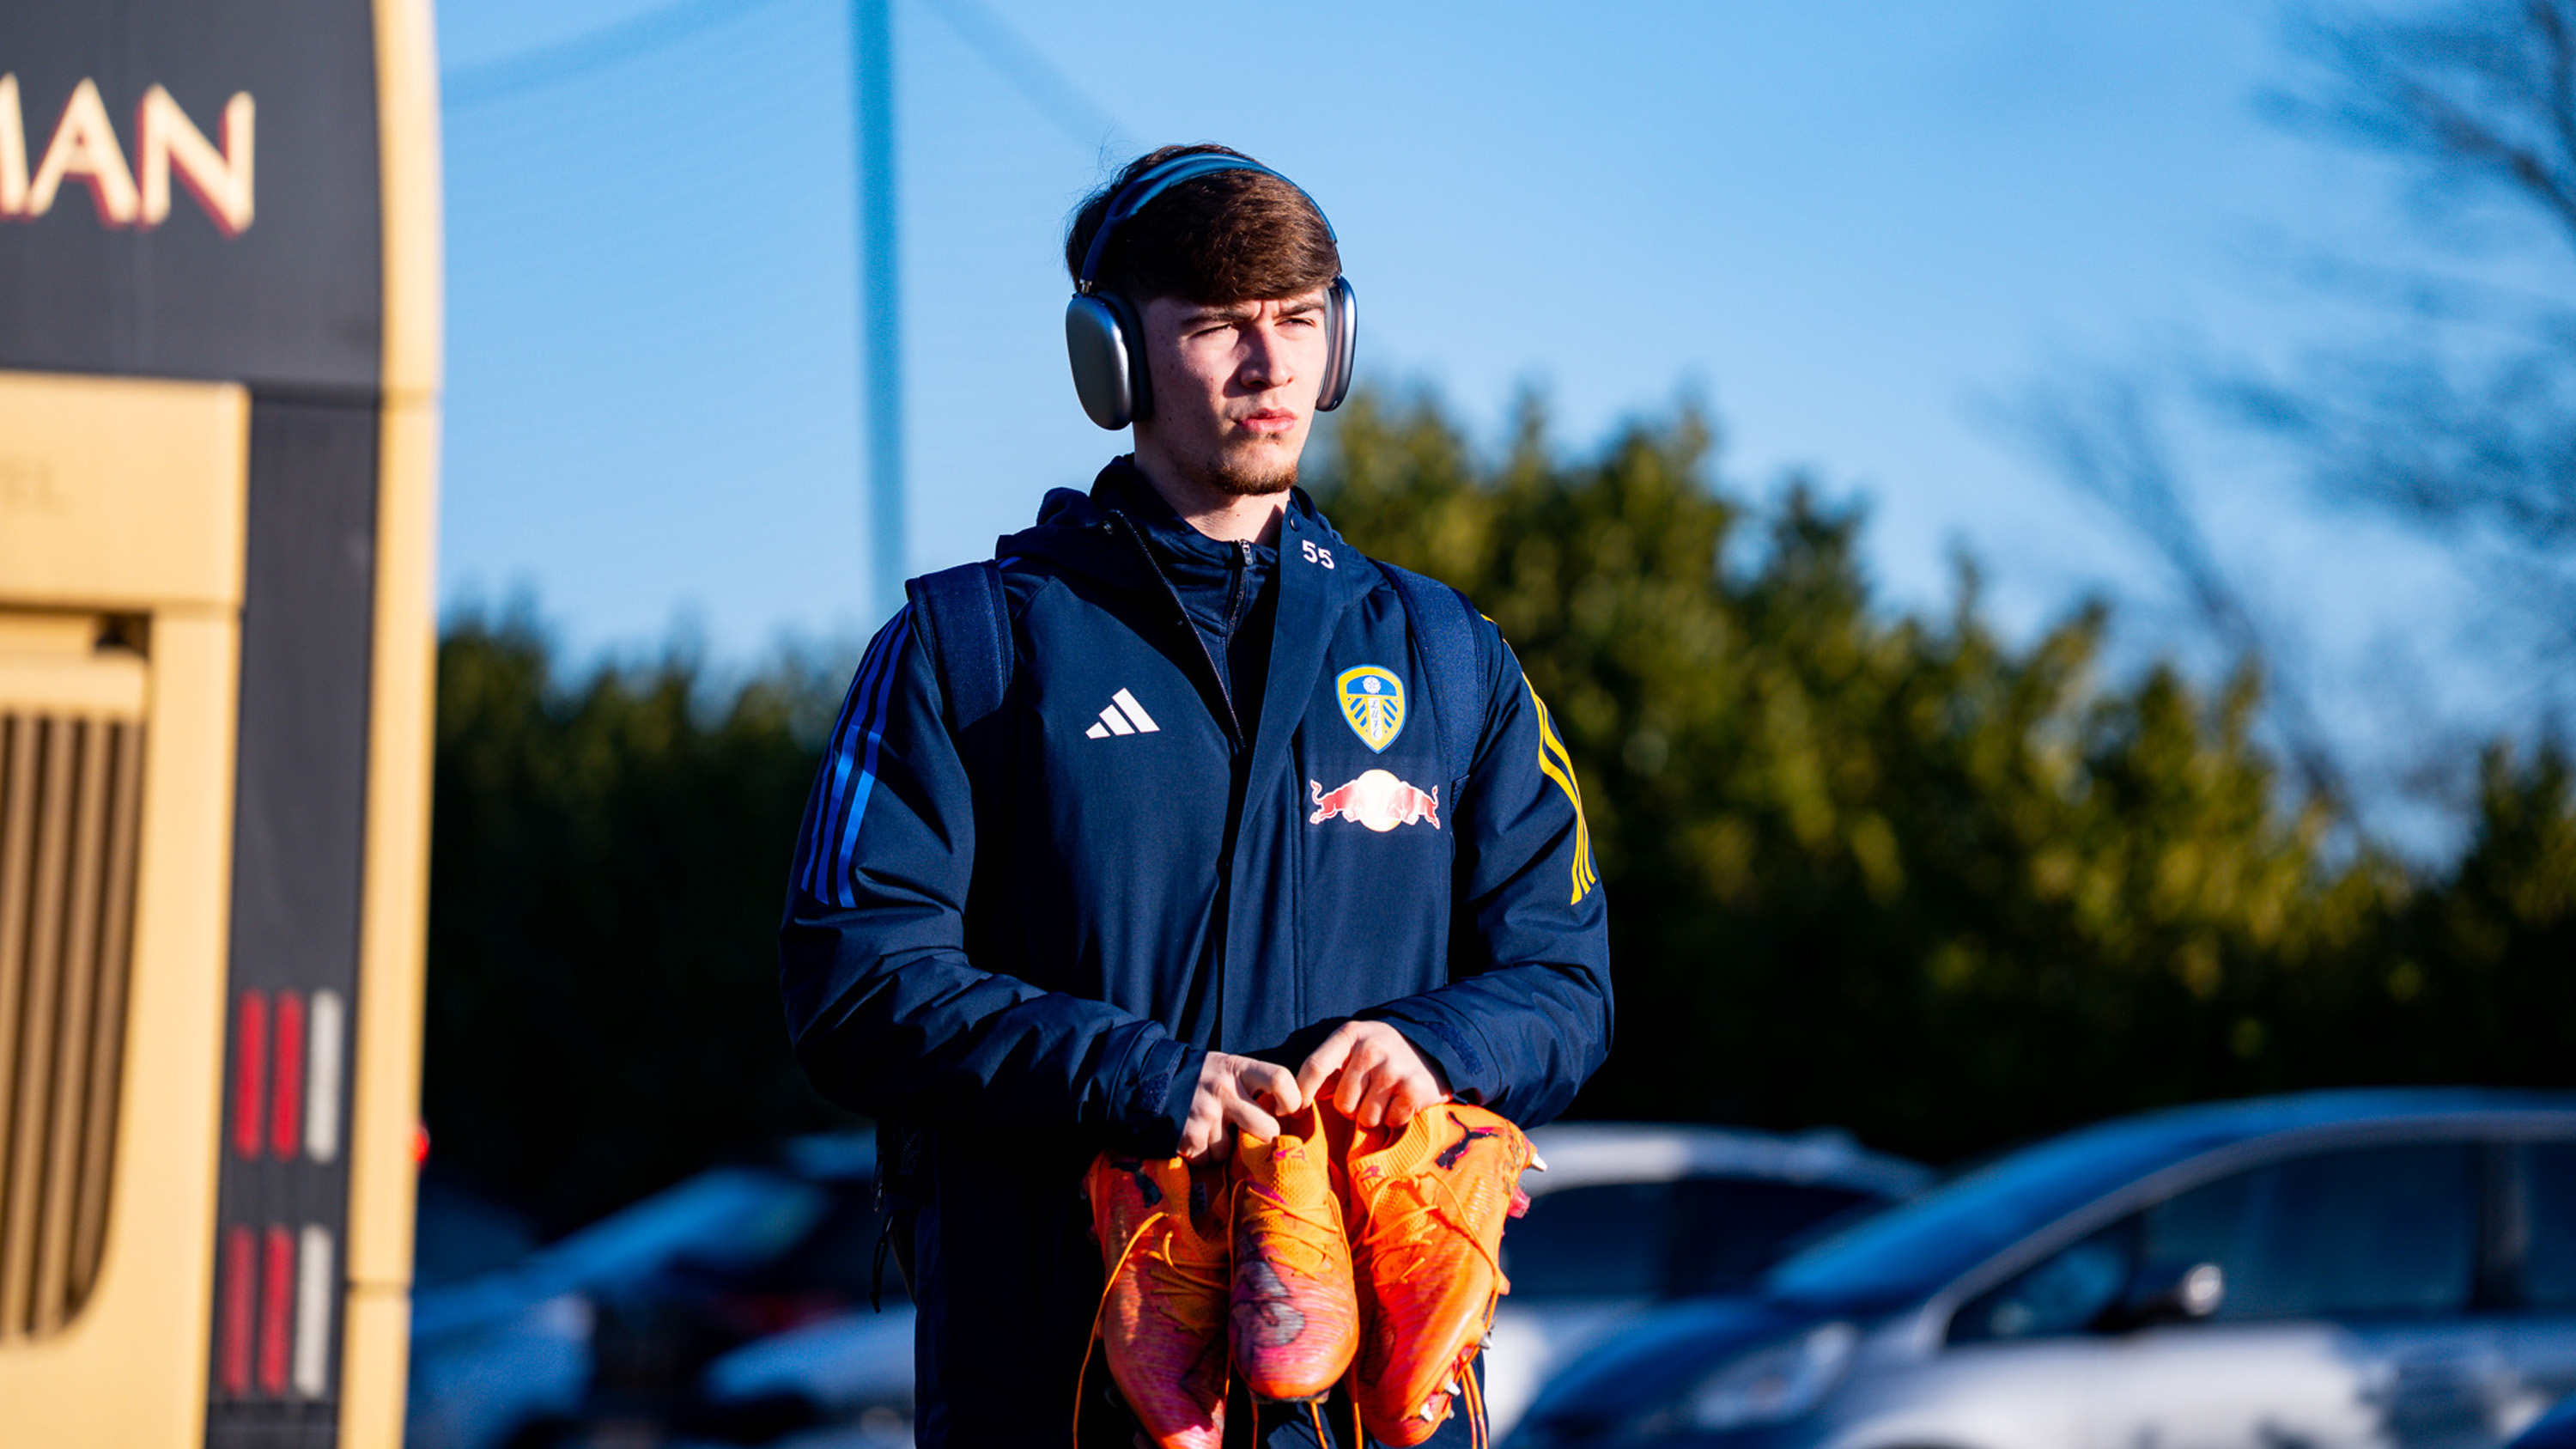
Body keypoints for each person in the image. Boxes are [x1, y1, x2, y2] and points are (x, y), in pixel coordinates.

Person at [779, 143, 1612, 1449]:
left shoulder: (1453, 658)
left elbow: (1567, 984)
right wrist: (1146, 1080)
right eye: (1220, 326)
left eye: (1297, 322)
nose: (1270, 368)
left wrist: (1436, 1048)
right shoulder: (966, 651)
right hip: (1057, 1396)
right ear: (1110, 356)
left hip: (1364, 1411)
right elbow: (857, 982)